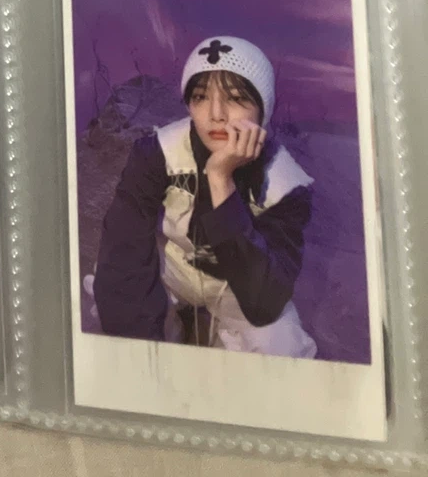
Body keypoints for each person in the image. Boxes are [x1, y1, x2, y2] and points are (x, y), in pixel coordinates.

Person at [92, 34, 318, 356]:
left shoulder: (287, 185)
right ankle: (175, 325)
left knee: (282, 347)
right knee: (122, 306)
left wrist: (220, 179)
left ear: (262, 110)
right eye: (200, 97)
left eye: (236, 98)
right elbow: (123, 250)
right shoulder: (157, 151)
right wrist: (145, 353)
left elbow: (263, 302)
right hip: (173, 268)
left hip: (234, 284)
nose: (216, 114)